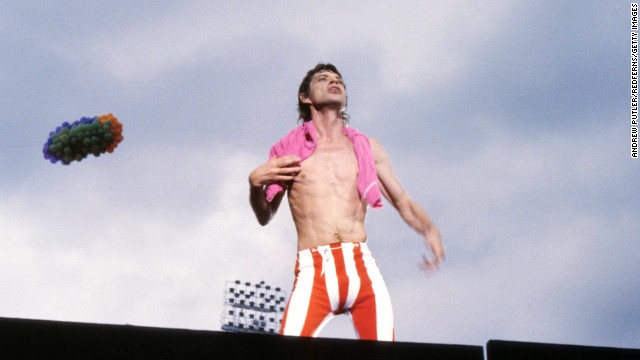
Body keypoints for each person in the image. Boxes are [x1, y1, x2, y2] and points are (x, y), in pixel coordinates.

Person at [248, 63, 444, 341]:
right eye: (323, 79)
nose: (334, 82)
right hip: (314, 270)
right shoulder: (289, 151)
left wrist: (429, 230)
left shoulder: (365, 146)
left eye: (339, 80)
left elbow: (401, 200)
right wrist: (255, 185)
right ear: (305, 97)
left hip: (361, 266)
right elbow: (265, 215)